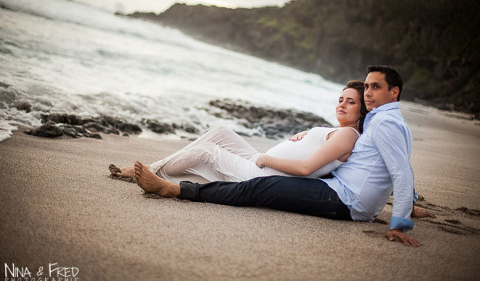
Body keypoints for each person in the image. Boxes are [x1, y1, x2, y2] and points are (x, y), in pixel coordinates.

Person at [133, 65, 434, 247]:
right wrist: (409, 201)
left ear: (394, 92)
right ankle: (158, 171)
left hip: (345, 200)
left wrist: (400, 220)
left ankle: (175, 188)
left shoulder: (380, 123)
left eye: (374, 88)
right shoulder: (382, 122)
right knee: (225, 138)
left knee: (260, 187)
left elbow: (398, 170)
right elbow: (380, 165)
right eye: (366, 86)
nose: (368, 93)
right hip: (338, 190)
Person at [111, 80, 367, 183]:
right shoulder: (339, 131)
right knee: (221, 131)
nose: (342, 104)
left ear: (362, 111)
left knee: (208, 152)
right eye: (340, 99)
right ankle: (152, 166)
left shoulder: (348, 135)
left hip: (263, 173)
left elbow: (305, 169)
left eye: (351, 102)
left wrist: (266, 158)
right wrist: (308, 133)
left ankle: (147, 173)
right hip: (262, 164)